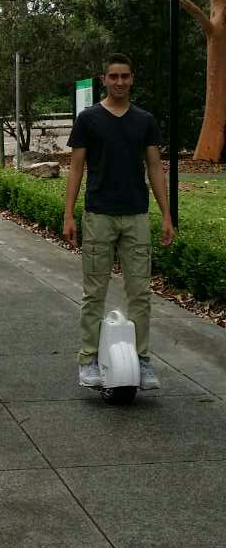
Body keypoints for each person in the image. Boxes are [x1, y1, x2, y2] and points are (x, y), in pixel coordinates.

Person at [63, 53, 174, 390]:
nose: (120, 82)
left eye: (125, 76)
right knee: (94, 292)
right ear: (104, 79)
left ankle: (142, 359)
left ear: (132, 78)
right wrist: (69, 214)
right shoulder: (88, 119)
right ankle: (88, 360)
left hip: (136, 215)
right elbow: (76, 168)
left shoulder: (145, 120)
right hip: (99, 215)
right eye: (114, 76)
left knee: (140, 293)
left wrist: (166, 214)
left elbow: (154, 167)